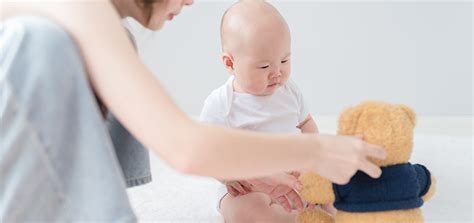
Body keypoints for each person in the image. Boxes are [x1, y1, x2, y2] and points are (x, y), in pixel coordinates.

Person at [0, 0, 386, 221]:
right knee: (43, 46)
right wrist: (319, 152)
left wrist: (283, 165)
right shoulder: (69, 14)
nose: (190, 2)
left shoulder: (92, 21)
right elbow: (185, 147)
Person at [200, 1, 335, 222]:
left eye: (284, 60)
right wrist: (227, 176)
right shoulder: (221, 104)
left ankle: (330, 213)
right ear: (230, 63)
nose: (277, 73)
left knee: (333, 184)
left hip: (295, 177)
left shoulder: (289, 90)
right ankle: (299, 216)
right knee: (247, 211)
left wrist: (314, 158)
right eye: (264, 66)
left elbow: (306, 123)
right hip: (249, 187)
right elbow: (207, 152)